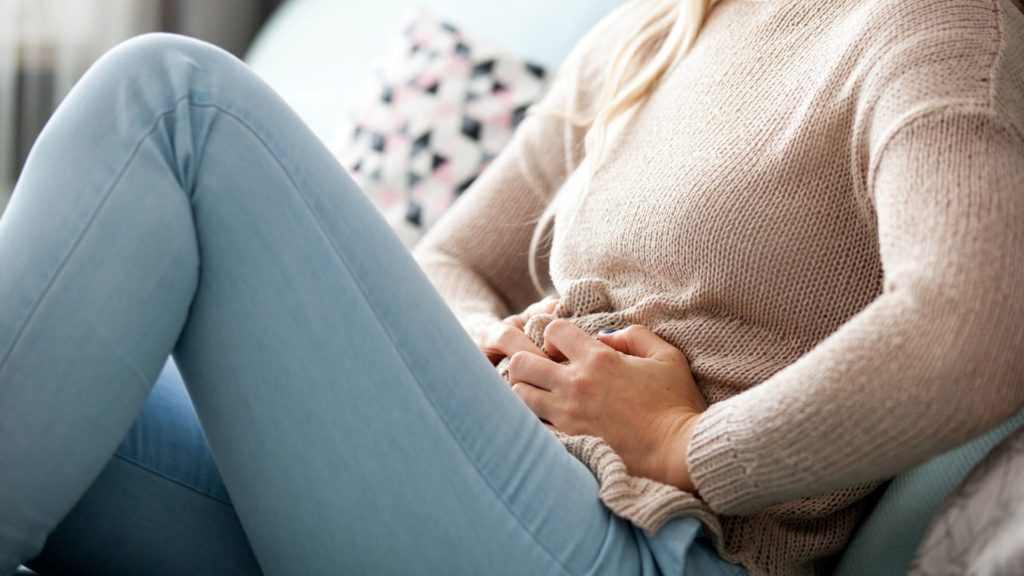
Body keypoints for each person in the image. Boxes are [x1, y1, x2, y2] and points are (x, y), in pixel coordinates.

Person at [2, 0, 1022, 574]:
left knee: (175, 102)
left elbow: (975, 327)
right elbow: (450, 259)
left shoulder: (935, 30)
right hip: (495, 483)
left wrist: (686, 445)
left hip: (640, 542)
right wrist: (492, 353)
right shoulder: (664, 27)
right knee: (85, 389)